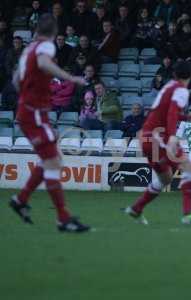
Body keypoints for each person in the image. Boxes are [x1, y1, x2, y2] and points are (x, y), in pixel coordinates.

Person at [10, 14, 90, 232]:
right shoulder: (46, 47)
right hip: (34, 114)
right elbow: (45, 64)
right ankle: (63, 218)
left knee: (52, 159)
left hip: (32, 112)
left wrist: (30, 95)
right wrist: (71, 78)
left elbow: (16, 79)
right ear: (54, 33)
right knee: (53, 161)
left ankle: (21, 199)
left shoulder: (28, 49)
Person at [124, 61, 191, 225]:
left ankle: (136, 209)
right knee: (189, 167)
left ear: (175, 74)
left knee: (166, 179)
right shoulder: (181, 90)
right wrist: (171, 136)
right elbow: (171, 113)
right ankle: (188, 213)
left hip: (146, 137)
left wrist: (187, 118)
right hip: (159, 137)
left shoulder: (170, 85)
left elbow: (164, 112)